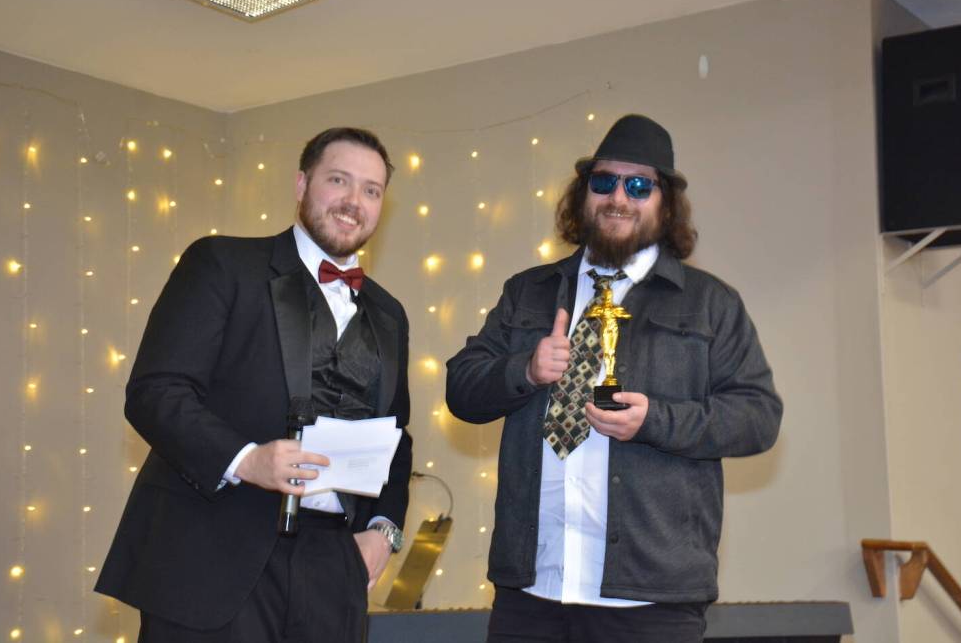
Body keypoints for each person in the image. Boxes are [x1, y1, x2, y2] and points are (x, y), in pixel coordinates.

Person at [445, 114, 782, 643]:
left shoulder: (710, 303)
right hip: (532, 593)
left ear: (665, 203)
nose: (618, 198)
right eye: (604, 182)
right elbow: (461, 388)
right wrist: (524, 369)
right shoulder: (528, 292)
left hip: (651, 600)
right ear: (584, 195)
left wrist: (659, 420)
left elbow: (759, 417)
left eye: (639, 185)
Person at [96, 127, 412, 643]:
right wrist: (247, 459)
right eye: (339, 180)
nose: (354, 201)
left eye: (372, 190)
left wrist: (383, 534)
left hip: (334, 572)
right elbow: (156, 390)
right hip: (211, 556)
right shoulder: (222, 264)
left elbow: (397, 438)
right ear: (301, 184)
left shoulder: (389, 313)